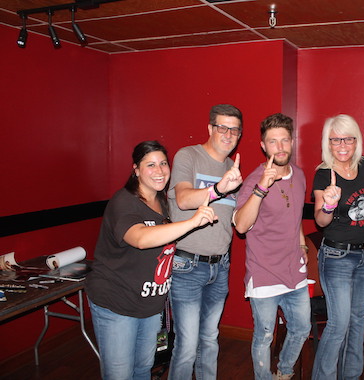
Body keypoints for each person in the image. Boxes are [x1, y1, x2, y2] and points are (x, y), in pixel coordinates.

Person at [86, 141, 217, 380]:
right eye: (151, 165)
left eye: (164, 163)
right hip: (117, 302)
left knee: (143, 369)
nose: (160, 170)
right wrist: (192, 222)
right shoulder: (124, 202)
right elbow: (140, 239)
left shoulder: (162, 200)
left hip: (149, 305)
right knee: (120, 375)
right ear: (136, 169)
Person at [167, 104, 243, 380]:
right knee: (187, 345)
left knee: (210, 339)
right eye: (222, 127)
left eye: (234, 130)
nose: (228, 134)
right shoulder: (188, 156)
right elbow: (185, 199)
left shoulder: (232, 169)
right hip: (186, 265)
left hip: (220, 266)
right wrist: (219, 188)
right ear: (210, 128)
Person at [233, 113, 311, 380]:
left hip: (294, 270)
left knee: (302, 328)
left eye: (284, 140)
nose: (280, 147)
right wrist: (260, 189)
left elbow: (296, 215)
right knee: (265, 335)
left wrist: (302, 243)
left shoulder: (299, 175)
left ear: (291, 142)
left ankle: (284, 372)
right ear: (263, 146)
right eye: (273, 141)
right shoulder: (254, 179)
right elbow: (241, 226)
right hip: (264, 271)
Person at [311, 114, 364, 380]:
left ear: (356, 141)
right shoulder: (323, 174)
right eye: (335, 139)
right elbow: (320, 220)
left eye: (348, 138)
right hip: (337, 256)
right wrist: (328, 203)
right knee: (338, 324)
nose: (342, 145)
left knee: (357, 321)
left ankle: (350, 376)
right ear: (327, 143)